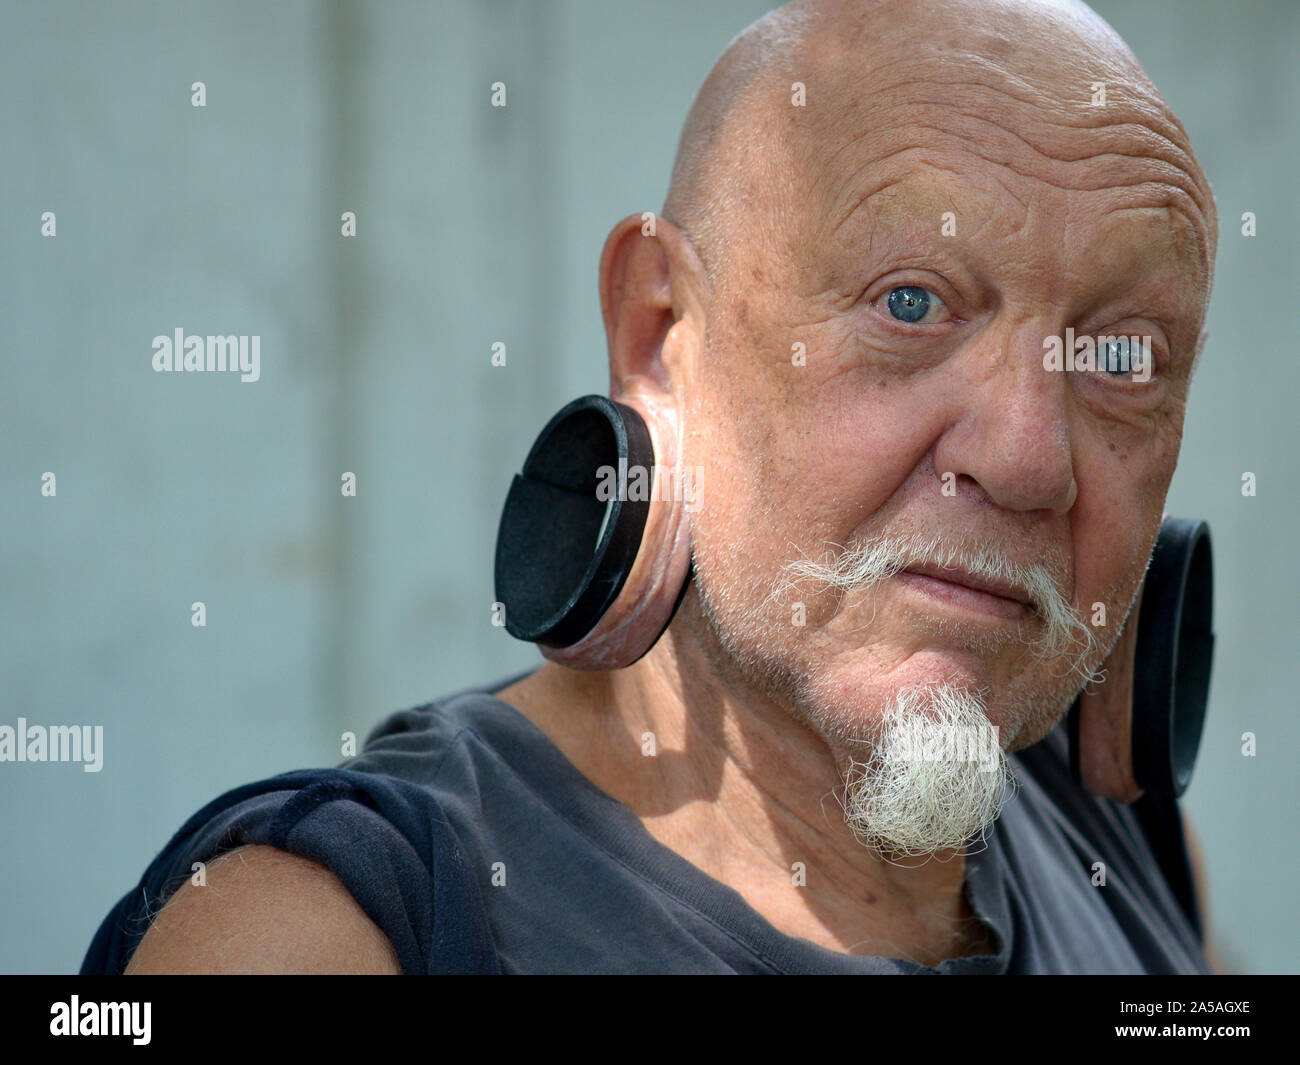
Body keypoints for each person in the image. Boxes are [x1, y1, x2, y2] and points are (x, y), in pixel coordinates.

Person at [84, 0, 1217, 974]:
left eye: (1120, 358)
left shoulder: (1120, 845)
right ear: (660, 331)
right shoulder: (324, 932)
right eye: (909, 303)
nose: (1027, 458)